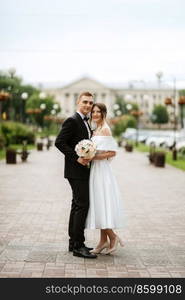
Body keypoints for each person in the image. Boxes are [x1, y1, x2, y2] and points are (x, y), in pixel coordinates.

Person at [55, 91, 97, 259]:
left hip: (81, 171)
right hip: (76, 170)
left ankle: (74, 242)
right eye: (85, 102)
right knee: (82, 205)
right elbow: (59, 142)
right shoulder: (72, 120)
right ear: (78, 102)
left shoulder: (86, 122)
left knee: (77, 205)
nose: (88, 105)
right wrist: (77, 158)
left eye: (90, 103)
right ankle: (78, 246)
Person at [86, 103, 124, 254]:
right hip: (95, 170)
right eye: (93, 112)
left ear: (103, 114)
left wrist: (93, 156)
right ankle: (102, 241)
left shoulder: (106, 130)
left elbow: (112, 153)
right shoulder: (95, 130)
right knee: (98, 205)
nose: (95, 114)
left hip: (102, 172)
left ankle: (113, 237)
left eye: (98, 112)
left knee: (101, 204)